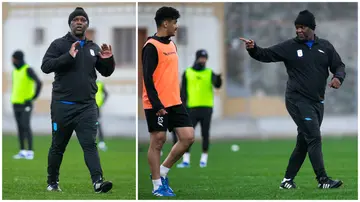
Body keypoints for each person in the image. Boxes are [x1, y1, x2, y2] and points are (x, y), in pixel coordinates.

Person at [240, 10, 345, 189]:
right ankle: (323, 180)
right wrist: (253, 49)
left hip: (317, 102)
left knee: (303, 142)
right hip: (297, 100)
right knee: (313, 137)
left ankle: (287, 181)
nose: (298, 30)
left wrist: (338, 78)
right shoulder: (290, 46)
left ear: (311, 28)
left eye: (302, 27)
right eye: (296, 27)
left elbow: (339, 66)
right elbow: (265, 54)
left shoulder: (325, 47)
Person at [41, 7, 115, 193]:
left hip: (87, 107)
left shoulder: (93, 47)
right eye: (76, 19)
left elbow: (106, 71)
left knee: (90, 144)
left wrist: (108, 60)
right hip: (62, 107)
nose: (79, 22)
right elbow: (46, 66)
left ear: (87, 24)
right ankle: (52, 182)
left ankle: (98, 182)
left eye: (83, 19)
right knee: (58, 146)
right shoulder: (58, 45)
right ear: (70, 23)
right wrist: (68, 56)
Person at [142, 6, 195, 197]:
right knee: (158, 141)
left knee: (188, 137)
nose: (176, 26)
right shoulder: (151, 46)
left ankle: (162, 171)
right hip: (156, 104)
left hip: (174, 101)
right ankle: (157, 185)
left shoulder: (172, 44)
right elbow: (147, 78)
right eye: (174, 22)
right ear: (165, 23)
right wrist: (157, 105)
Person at [173, 49, 222, 168]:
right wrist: (182, 107)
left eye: (205, 58)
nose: (203, 60)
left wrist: (219, 79)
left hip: (206, 108)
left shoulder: (210, 73)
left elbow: (217, 85)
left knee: (205, 134)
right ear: (197, 58)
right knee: (188, 136)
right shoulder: (188, 72)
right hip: (191, 109)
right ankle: (186, 160)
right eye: (201, 58)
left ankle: (204, 159)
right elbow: (183, 93)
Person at [11, 50, 42, 160]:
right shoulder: (15, 71)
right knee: (19, 128)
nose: (12, 61)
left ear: (17, 59)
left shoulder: (28, 69)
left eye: (13, 59)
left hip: (26, 104)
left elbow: (39, 82)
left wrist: (33, 98)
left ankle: (30, 151)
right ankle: (22, 151)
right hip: (16, 103)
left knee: (25, 126)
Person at [95, 80, 109, 151]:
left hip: (96, 107)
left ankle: (101, 143)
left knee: (98, 124)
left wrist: (102, 102)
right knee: (93, 124)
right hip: (89, 107)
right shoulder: (87, 82)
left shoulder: (99, 84)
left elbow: (106, 94)